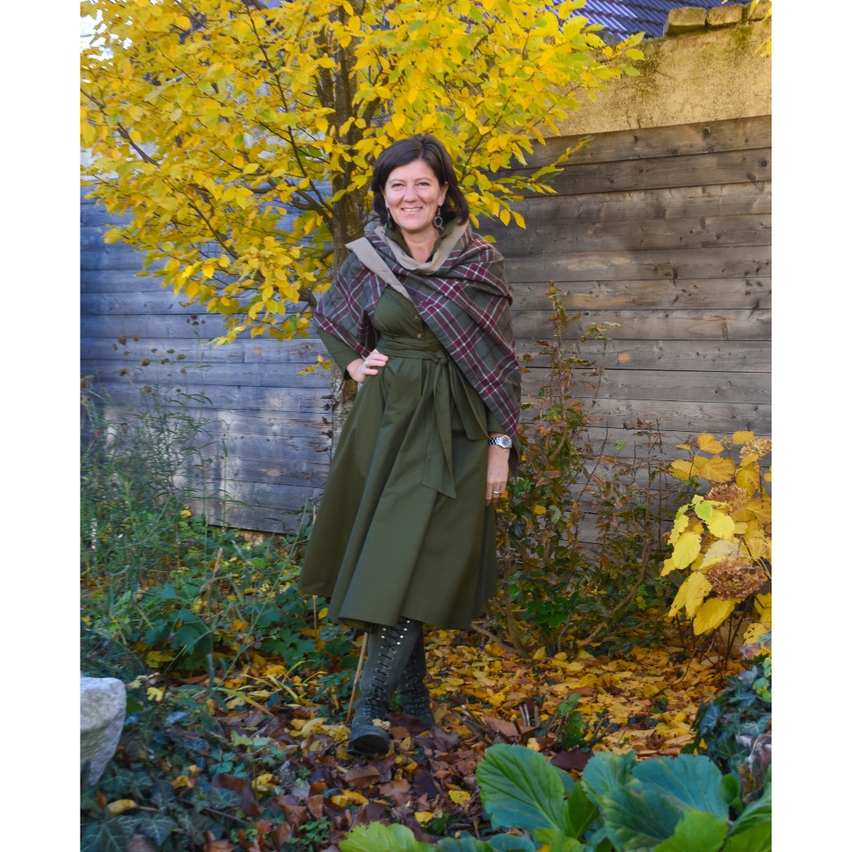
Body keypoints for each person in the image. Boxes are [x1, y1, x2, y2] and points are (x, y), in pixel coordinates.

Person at [298, 134, 520, 756]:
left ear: (444, 191)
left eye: (423, 183)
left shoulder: (479, 261)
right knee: (401, 551)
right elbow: (331, 319)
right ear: (384, 195)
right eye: (397, 184)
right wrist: (351, 366)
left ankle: (372, 705)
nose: (410, 195)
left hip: (458, 427)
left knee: (419, 555)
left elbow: (501, 361)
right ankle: (408, 700)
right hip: (387, 425)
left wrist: (501, 447)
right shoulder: (368, 259)